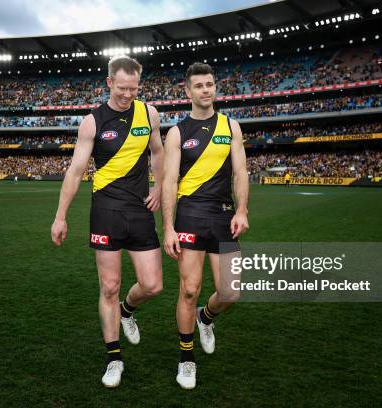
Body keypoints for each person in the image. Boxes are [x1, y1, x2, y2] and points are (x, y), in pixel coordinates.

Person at [50, 55, 164, 388]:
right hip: (106, 212)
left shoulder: (150, 114)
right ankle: (114, 357)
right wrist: (60, 216)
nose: (128, 94)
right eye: (122, 88)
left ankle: (128, 310)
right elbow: (74, 172)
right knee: (109, 286)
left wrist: (158, 183)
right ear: (109, 82)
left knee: (153, 285)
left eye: (134, 88)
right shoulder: (92, 122)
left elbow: (157, 152)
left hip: (141, 210)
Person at [161, 62, 249, 389]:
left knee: (230, 292)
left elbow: (240, 173)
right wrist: (168, 227)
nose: (205, 90)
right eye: (198, 85)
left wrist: (241, 209)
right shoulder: (177, 133)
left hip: (224, 216)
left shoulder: (231, 126)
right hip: (190, 215)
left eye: (210, 84)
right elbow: (169, 180)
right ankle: (186, 359)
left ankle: (205, 318)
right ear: (188, 91)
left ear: (215, 87)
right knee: (188, 288)